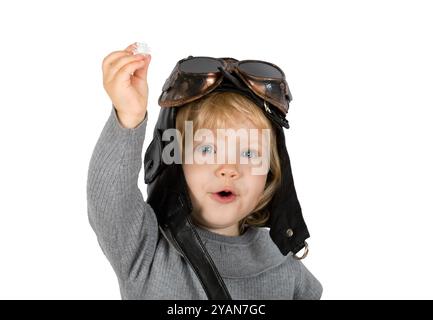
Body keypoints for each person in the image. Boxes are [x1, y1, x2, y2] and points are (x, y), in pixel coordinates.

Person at [87, 42, 323, 299]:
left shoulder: (287, 270)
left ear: (271, 172)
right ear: (175, 162)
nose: (228, 169)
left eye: (248, 153)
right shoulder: (145, 251)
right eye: (207, 150)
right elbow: (110, 201)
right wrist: (129, 117)